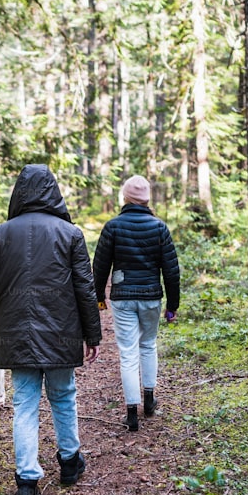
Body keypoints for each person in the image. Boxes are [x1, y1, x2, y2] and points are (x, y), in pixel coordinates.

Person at [0, 164, 102, 495]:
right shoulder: (70, 233)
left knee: (25, 405)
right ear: (53, 192)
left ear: (19, 193)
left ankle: (27, 482)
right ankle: (69, 463)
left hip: (16, 333)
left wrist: (4, 318)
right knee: (63, 396)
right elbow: (85, 289)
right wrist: (92, 334)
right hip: (62, 333)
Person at [92, 175, 180, 433]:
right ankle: (150, 400)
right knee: (148, 345)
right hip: (151, 296)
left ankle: (132, 413)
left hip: (123, 298)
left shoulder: (112, 227)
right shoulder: (159, 227)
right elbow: (171, 270)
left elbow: (99, 267)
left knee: (128, 353)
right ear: (147, 199)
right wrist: (172, 305)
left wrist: (98, 298)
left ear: (125, 197)